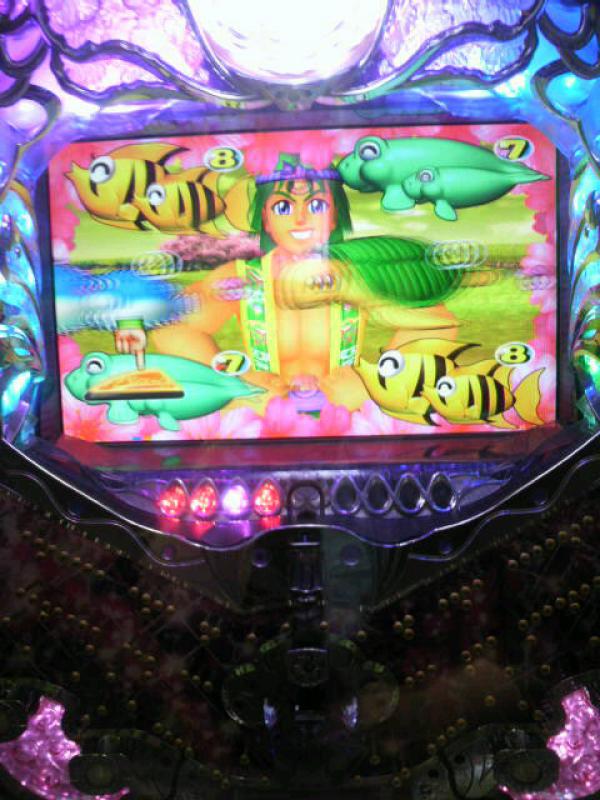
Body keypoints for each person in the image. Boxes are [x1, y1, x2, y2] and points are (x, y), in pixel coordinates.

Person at [123, 155, 462, 410]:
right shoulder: (242, 276)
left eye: (316, 205)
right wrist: (233, 381)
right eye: (284, 207)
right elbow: (171, 326)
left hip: (346, 415)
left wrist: (376, 381)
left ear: (334, 216)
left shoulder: (361, 271)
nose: (301, 218)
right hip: (264, 415)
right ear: (265, 218)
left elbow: (437, 323)